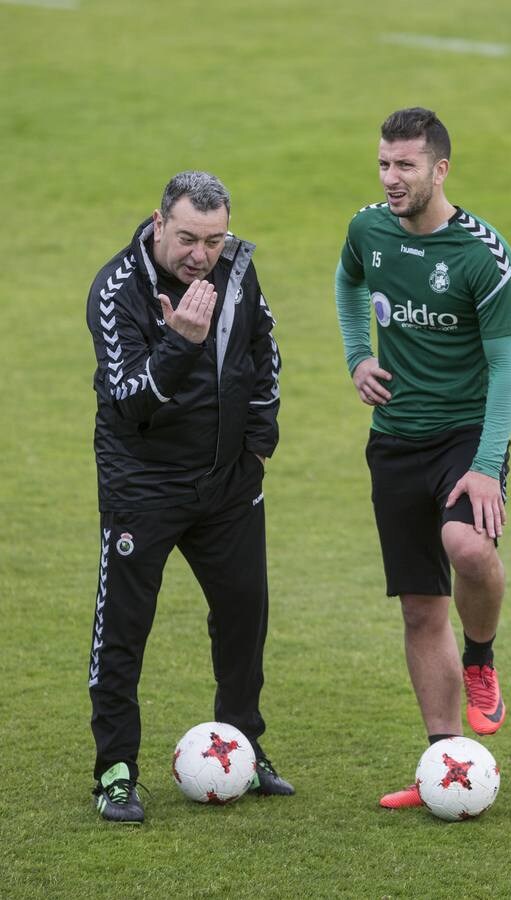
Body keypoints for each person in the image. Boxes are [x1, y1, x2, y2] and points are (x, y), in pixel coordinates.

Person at [86, 170, 294, 824]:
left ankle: (242, 743)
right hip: (144, 484)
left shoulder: (235, 268)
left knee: (243, 616)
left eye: (213, 238)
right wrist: (180, 347)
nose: (200, 254)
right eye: (186, 238)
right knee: (123, 629)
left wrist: (257, 446)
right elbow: (129, 405)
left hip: (227, 484)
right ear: (157, 224)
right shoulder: (116, 291)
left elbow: (264, 351)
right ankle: (115, 770)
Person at [334, 108, 511, 809]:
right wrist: (358, 355)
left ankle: (481, 657)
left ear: (440, 169)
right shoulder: (368, 228)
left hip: (465, 436)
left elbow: (507, 368)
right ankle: (448, 764)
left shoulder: (482, 254)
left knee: (467, 548)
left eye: (405, 165)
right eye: (384, 163)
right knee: (419, 607)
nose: (390, 177)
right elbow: (348, 282)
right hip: (394, 438)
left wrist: (487, 461)